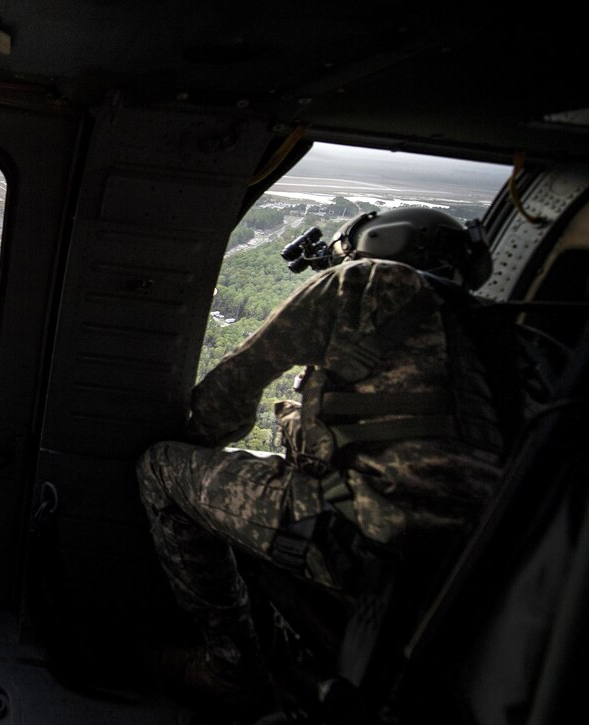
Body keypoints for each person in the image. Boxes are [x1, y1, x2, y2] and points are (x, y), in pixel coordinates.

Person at [137, 207, 506, 708]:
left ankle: (232, 667)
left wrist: (196, 448)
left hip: (364, 543)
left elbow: (232, 388)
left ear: (380, 243)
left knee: (161, 468)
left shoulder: (363, 281)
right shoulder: (506, 335)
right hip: (479, 571)